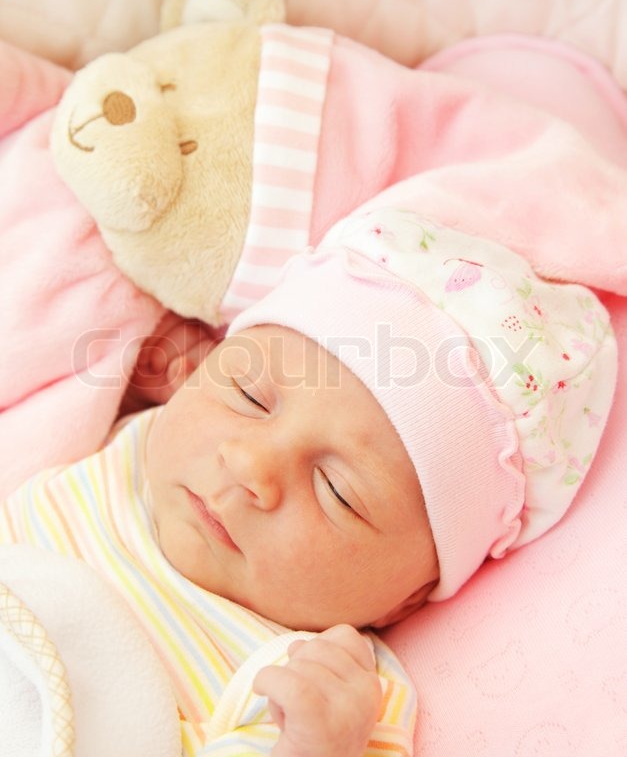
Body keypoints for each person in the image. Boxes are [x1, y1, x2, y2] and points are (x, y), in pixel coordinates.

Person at [0, 208, 616, 756]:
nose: (251, 467)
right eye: (247, 395)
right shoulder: (121, 437)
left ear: (402, 598)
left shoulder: (332, 688)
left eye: (337, 492)